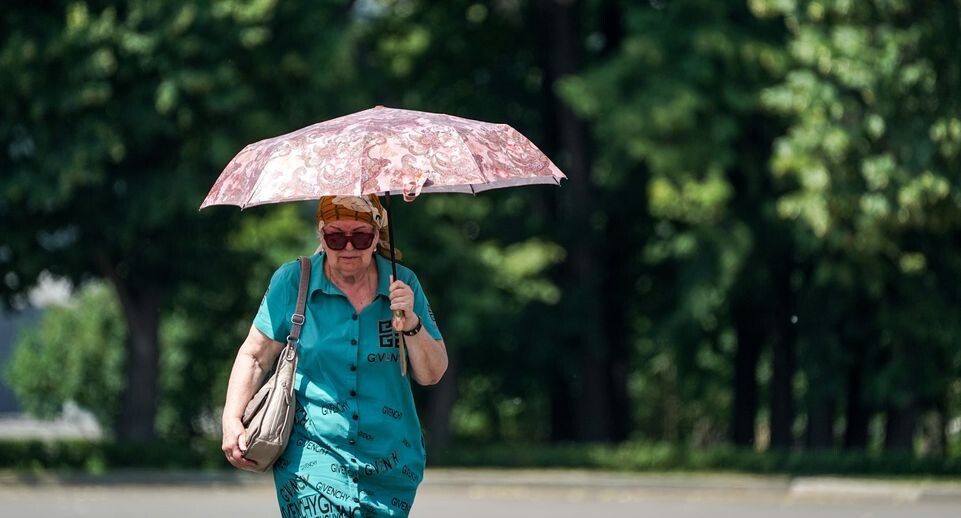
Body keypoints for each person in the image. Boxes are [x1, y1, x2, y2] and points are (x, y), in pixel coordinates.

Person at [222, 194, 448, 517]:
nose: (349, 247)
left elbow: (432, 374)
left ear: (376, 237)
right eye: (336, 237)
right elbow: (255, 356)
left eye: (361, 237)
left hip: (391, 465)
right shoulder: (292, 281)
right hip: (311, 460)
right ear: (321, 234)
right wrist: (231, 418)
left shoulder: (402, 284)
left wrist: (411, 323)